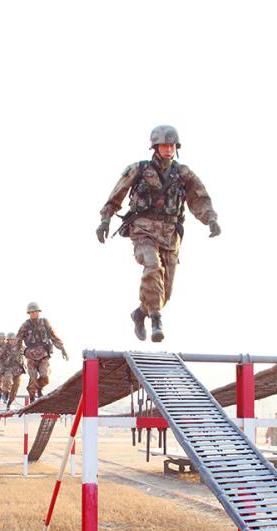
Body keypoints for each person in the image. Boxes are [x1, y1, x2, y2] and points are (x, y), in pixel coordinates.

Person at [96, 125, 221, 342]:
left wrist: (210, 219)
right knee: (152, 265)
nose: (168, 149)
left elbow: (199, 199)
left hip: (170, 234)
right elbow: (116, 195)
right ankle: (155, 319)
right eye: (164, 145)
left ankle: (141, 313)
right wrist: (105, 221)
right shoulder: (140, 169)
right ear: (155, 146)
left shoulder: (184, 173)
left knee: (166, 293)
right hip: (143, 229)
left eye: (172, 145)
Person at [15, 302, 68, 401]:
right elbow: (18, 340)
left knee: (45, 376)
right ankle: (32, 397)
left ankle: (39, 388)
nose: (33, 314)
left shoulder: (45, 322)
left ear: (38, 312)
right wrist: (21, 351)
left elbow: (53, 336)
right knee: (33, 378)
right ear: (28, 313)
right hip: (30, 355)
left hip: (43, 354)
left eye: (35, 312)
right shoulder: (25, 325)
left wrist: (62, 349)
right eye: (31, 312)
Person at [0, 332, 26, 408]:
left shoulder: (19, 347)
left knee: (15, 387)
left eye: (14, 340)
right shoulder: (4, 348)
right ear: (8, 340)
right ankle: (5, 393)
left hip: (17, 369)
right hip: (7, 368)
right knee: (7, 379)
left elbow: (26, 351)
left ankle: (9, 402)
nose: (12, 341)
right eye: (10, 340)